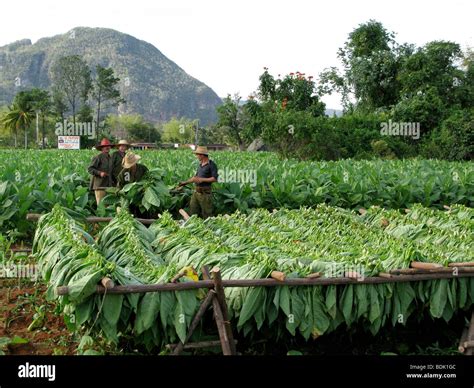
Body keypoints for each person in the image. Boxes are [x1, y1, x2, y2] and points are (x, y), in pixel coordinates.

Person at [179, 146, 218, 219]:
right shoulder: (200, 165)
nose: (197, 156)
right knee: (193, 212)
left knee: (207, 214)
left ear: (202, 155)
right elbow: (195, 178)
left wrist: (202, 179)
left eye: (197, 155)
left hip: (205, 194)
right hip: (196, 192)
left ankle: (209, 228)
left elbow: (214, 179)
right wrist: (184, 183)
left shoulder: (211, 165)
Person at [88, 138, 114, 205]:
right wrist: (100, 173)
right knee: (101, 206)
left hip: (108, 185)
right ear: (102, 148)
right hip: (99, 185)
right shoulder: (98, 157)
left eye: (108, 146)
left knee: (107, 206)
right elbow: (90, 169)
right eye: (105, 146)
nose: (107, 147)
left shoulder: (110, 158)